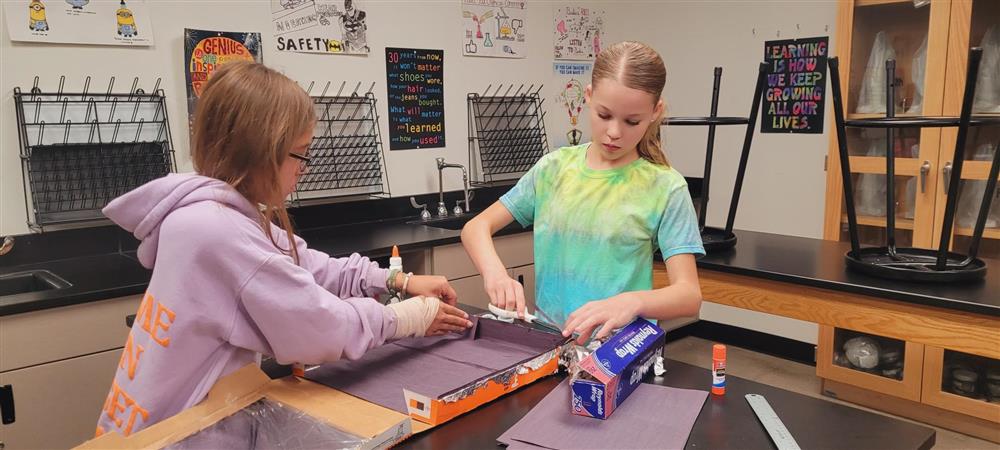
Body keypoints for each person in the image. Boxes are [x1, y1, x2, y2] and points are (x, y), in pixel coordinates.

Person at [96, 61, 471, 437]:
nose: (303, 169)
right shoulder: (217, 231)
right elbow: (324, 328)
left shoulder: (205, 213)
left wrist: (398, 280)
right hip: (171, 437)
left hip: (146, 425)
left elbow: (306, 265)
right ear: (258, 151)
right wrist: (409, 318)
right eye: (300, 154)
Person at [461, 41, 703, 345]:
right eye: (604, 115)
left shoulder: (666, 187)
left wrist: (632, 302)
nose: (614, 132)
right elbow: (476, 228)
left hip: (619, 353)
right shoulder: (554, 169)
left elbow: (689, 295)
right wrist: (495, 274)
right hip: (551, 345)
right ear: (588, 96)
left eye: (632, 121)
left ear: (656, 112)